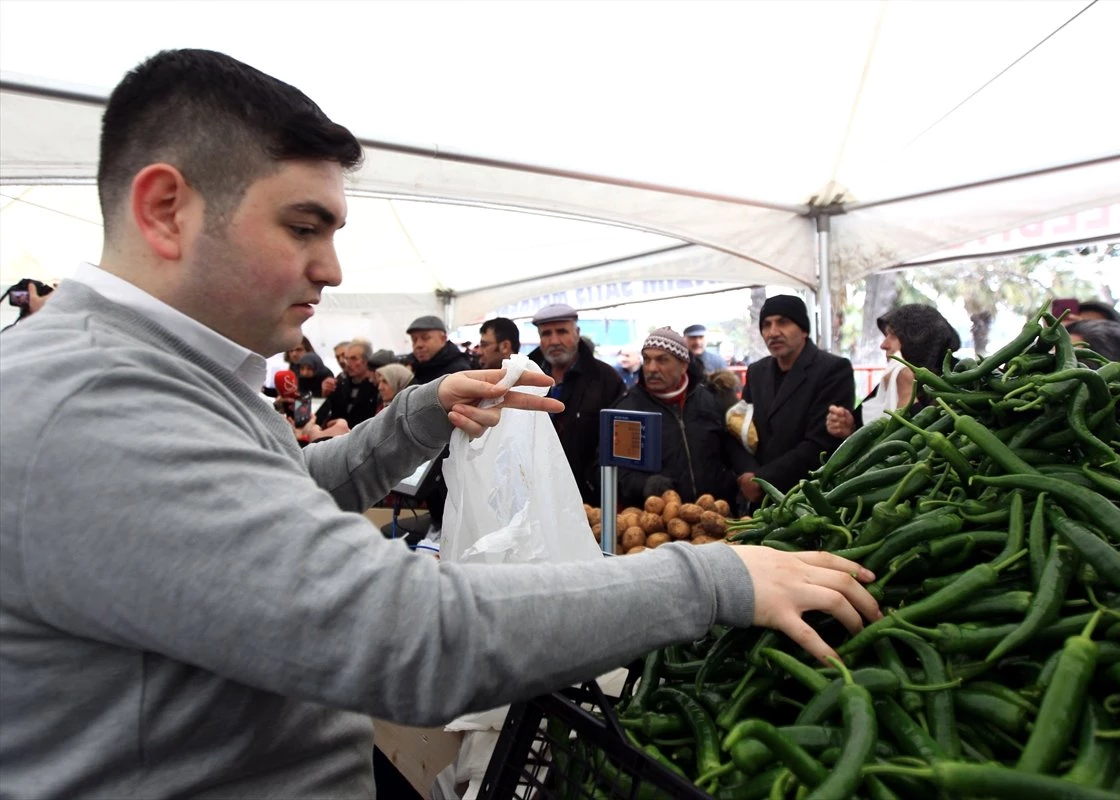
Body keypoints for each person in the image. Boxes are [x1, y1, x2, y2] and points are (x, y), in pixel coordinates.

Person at [0, 49, 880, 799]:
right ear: (166, 209)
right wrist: (712, 580)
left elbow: (287, 497)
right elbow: (405, 636)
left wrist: (419, 413)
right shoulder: (92, 403)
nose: (332, 267)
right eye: (304, 225)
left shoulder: (169, 372)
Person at [614, 328, 756, 507]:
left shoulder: (712, 400)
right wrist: (645, 484)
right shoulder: (630, 410)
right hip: (658, 521)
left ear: (683, 365)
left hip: (717, 513)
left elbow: (736, 448)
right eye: (647, 359)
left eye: (662, 360)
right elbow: (613, 470)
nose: (651, 368)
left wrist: (748, 474)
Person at [739, 295, 855, 504]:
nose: (773, 332)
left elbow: (821, 443)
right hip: (759, 500)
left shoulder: (833, 370)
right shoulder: (757, 372)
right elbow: (741, 430)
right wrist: (748, 474)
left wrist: (763, 480)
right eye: (766, 325)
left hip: (807, 498)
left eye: (783, 322)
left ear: (804, 329)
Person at [528, 303, 627, 505]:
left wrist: (594, 483)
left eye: (562, 331)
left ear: (577, 333)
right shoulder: (526, 378)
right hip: (534, 495)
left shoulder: (606, 379)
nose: (554, 341)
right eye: (546, 334)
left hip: (587, 501)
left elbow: (618, 444)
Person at [826, 304, 961, 438]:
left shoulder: (958, 387)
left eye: (893, 335)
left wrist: (907, 395)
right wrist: (851, 427)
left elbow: (931, 446)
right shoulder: (894, 380)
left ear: (918, 343)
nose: (884, 345)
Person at [315, 340, 378, 428]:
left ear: (367, 360)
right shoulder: (341, 381)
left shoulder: (376, 384)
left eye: (353, 358)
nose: (347, 364)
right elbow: (328, 411)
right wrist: (325, 394)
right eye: (347, 358)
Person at [408, 314, 473, 383]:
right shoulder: (410, 365)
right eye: (414, 340)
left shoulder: (458, 372)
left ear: (443, 339)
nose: (418, 345)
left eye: (425, 338)